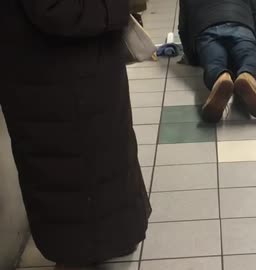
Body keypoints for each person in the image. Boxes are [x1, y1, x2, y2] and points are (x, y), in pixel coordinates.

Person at [0, 0, 151, 268]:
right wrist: (116, 8)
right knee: (74, 176)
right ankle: (85, 251)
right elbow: (54, 11)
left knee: (101, 165)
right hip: (57, 79)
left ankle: (107, 241)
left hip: (71, 72)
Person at [178, 0, 256, 123]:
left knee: (213, 61)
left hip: (206, 30)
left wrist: (194, 58)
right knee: (248, 55)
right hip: (240, 25)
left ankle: (221, 78)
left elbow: (183, 29)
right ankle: (248, 76)